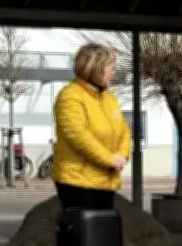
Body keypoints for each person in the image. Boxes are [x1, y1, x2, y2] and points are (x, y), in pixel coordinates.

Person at [52, 43, 131, 211]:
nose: (113, 71)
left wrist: (122, 155)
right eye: (110, 67)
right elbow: (78, 136)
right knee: (86, 226)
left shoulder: (110, 98)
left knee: (105, 226)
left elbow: (124, 130)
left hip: (105, 182)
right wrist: (109, 159)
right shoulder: (70, 96)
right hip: (78, 183)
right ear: (93, 68)